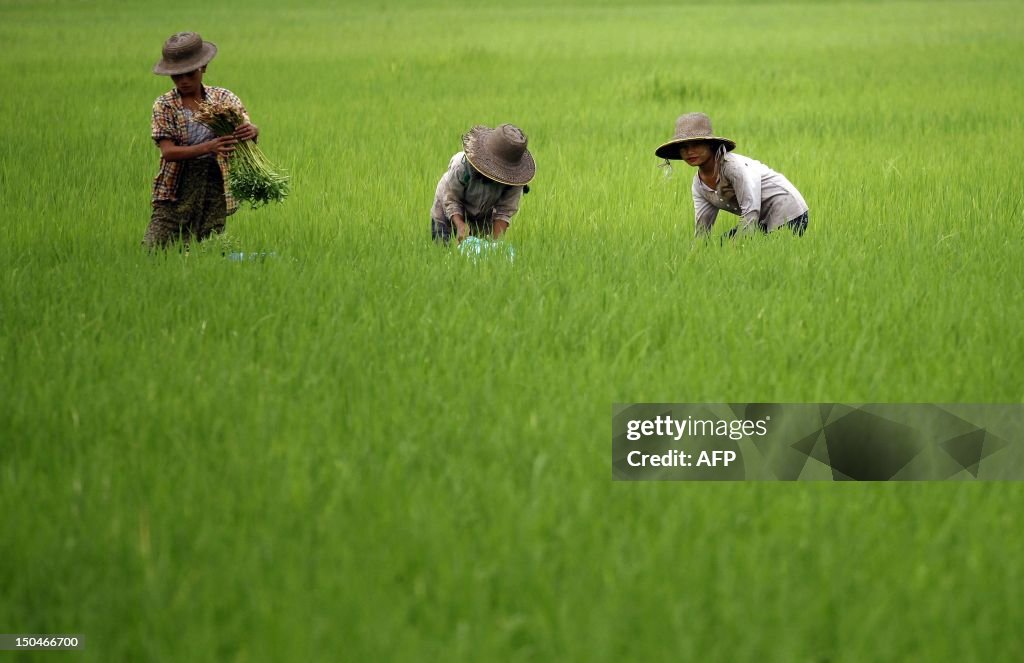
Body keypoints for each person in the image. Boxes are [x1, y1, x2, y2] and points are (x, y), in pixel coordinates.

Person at [143, 32, 259, 249]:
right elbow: (168, 152)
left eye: (189, 74)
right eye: (177, 76)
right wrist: (209, 147)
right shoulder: (164, 105)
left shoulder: (223, 99)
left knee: (209, 246)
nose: (184, 81)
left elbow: (244, 130)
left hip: (214, 182)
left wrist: (252, 131)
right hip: (176, 186)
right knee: (153, 247)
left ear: (203, 67)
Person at [655, 112, 808, 240]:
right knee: (720, 247)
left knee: (742, 252)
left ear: (710, 144)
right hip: (764, 220)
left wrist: (739, 246)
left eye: (696, 145)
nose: (689, 152)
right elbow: (702, 229)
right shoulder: (699, 185)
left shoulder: (731, 167)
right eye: (684, 147)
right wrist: (693, 258)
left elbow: (751, 210)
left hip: (790, 212)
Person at [431, 124, 535, 243]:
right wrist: (460, 225)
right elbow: (451, 199)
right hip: (447, 201)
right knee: (441, 246)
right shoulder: (462, 166)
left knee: (480, 250)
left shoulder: (515, 180)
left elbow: (504, 211)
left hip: (484, 212)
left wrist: (496, 246)